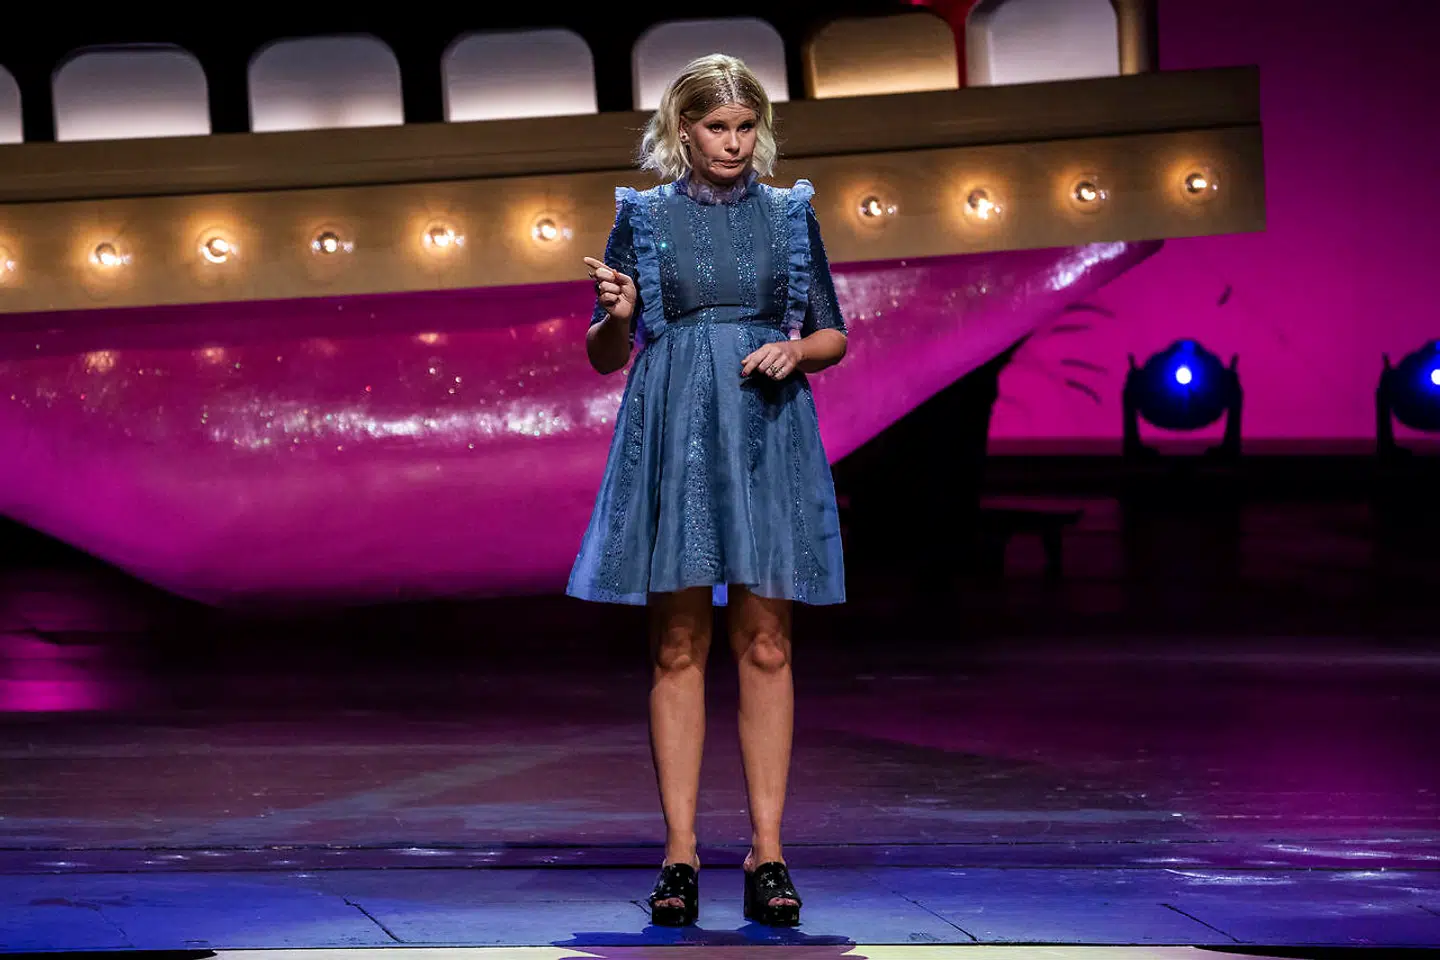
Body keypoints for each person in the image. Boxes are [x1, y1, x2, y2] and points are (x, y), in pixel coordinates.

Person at [567, 53, 848, 928]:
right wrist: (616, 317)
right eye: (717, 127)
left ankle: (767, 852)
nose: (733, 142)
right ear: (683, 130)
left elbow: (833, 331)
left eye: (745, 126)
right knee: (679, 643)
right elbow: (608, 355)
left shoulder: (790, 214)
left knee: (766, 640)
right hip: (676, 428)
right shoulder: (642, 219)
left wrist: (796, 351)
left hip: (767, 427)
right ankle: (680, 854)